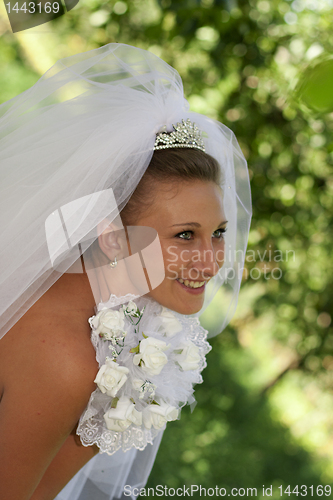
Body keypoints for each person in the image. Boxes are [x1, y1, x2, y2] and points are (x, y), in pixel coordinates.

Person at [0, 44, 252, 500]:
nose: (210, 261)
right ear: (113, 238)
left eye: (217, 233)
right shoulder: (67, 358)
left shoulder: (82, 285)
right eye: (184, 236)